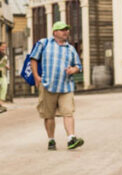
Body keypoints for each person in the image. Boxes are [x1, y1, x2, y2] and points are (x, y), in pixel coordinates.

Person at [30, 21, 83, 151]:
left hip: (65, 86)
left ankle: (71, 138)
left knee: (68, 112)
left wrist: (73, 70)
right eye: (62, 30)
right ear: (55, 32)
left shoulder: (70, 48)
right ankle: (51, 140)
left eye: (67, 29)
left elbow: (79, 66)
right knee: (49, 115)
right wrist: (36, 76)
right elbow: (33, 59)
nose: (65, 32)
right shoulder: (44, 43)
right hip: (48, 85)